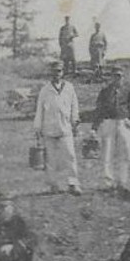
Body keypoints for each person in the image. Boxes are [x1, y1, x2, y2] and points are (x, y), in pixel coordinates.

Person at [33, 62, 83, 195]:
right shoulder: (45, 90)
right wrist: (37, 128)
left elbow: (74, 107)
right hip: (49, 129)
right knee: (51, 159)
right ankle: (53, 185)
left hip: (65, 128)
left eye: (59, 71)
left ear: (63, 72)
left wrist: (75, 122)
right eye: (54, 72)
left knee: (70, 156)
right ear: (50, 73)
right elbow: (39, 110)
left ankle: (73, 183)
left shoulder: (69, 88)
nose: (56, 74)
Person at [93, 66, 130, 192]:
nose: (117, 79)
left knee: (124, 152)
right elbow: (98, 110)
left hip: (123, 123)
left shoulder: (127, 91)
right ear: (111, 77)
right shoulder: (104, 92)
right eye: (114, 76)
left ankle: (122, 181)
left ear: (123, 78)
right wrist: (94, 127)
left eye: (119, 76)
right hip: (108, 123)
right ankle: (107, 182)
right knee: (107, 153)